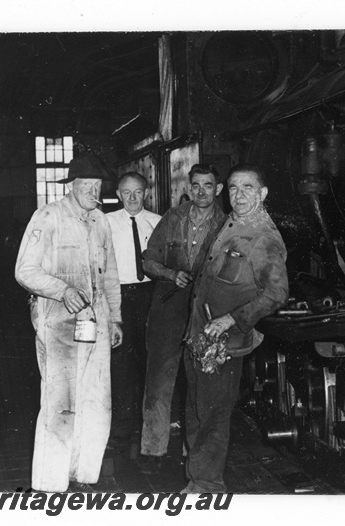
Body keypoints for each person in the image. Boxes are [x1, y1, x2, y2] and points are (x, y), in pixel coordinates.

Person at [15, 156, 123, 493]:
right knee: (60, 403)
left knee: (96, 401)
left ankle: (83, 475)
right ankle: (49, 486)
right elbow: (24, 271)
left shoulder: (101, 222)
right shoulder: (47, 218)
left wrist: (116, 317)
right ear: (71, 185)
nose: (94, 191)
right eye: (87, 185)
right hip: (59, 324)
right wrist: (63, 291)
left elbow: (111, 276)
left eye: (98, 185)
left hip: (98, 323)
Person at [183, 163, 289, 493]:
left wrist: (231, 319)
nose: (238, 195)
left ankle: (207, 488)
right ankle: (195, 480)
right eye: (232, 188)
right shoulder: (231, 226)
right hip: (199, 336)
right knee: (195, 413)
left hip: (224, 345)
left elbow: (276, 292)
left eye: (248, 189)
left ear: (263, 194)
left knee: (212, 417)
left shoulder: (264, 238)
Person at [139, 164, 227, 470]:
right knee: (159, 380)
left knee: (201, 382)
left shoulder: (226, 225)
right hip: (168, 306)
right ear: (188, 188)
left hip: (205, 311)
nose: (201, 191)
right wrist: (170, 273)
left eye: (208, 185)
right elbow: (148, 262)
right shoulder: (172, 219)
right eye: (196, 185)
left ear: (218, 189)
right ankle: (153, 452)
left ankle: (196, 453)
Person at [105, 172, 161, 452]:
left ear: (145, 192)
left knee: (151, 361)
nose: (132, 198)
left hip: (151, 294)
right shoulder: (106, 223)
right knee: (122, 364)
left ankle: (151, 429)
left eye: (137, 192)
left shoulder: (158, 222)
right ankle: (122, 430)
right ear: (118, 194)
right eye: (126, 193)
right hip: (120, 296)